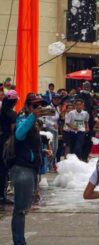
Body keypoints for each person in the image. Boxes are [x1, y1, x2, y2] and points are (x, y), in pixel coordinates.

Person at [10, 93, 46, 245]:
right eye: (34, 106)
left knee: (24, 208)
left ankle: (20, 241)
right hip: (22, 169)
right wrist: (32, 117)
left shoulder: (35, 122)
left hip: (31, 169)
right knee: (20, 209)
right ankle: (19, 242)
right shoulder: (23, 119)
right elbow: (19, 134)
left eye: (40, 106)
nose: (38, 108)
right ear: (27, 107)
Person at [0, 90, 18, 209]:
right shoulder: (12, 114)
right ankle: (2, 195)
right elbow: (14, 131)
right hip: (7, 143)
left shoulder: (1, 111)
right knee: (4, 169)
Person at [43, 93, 61, 166]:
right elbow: (45, 120)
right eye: (55, 99)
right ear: (52, 99)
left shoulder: (58, 108)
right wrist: (52, 124)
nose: (57, 100)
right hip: (49, 129)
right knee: (51, 147)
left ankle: (52, 163)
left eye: (58, 99)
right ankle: (49, 165)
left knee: (56, 148)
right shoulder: (48, 107)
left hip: (55, 130)